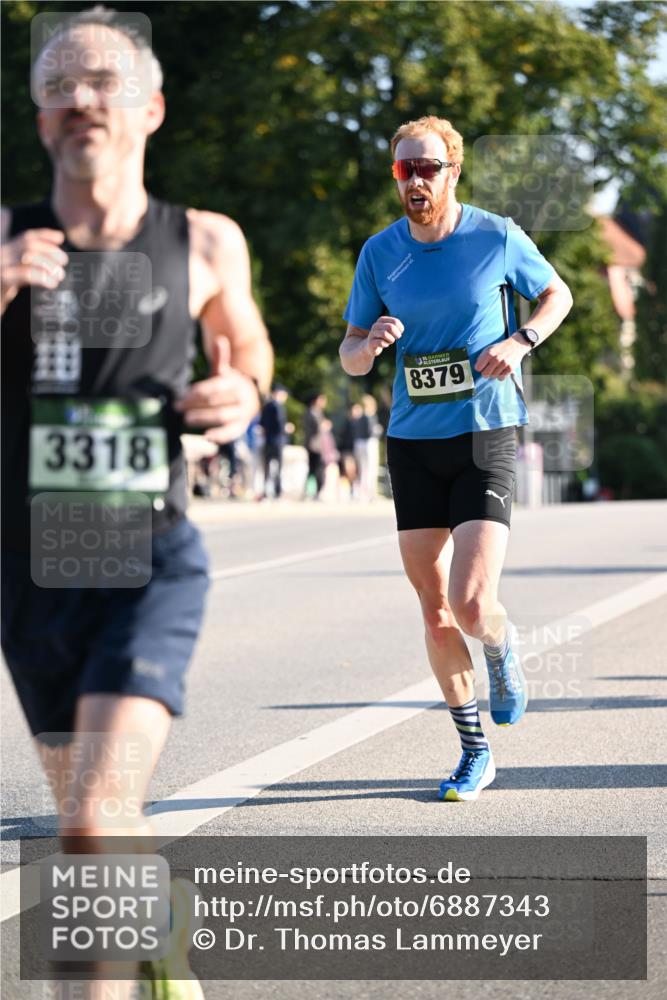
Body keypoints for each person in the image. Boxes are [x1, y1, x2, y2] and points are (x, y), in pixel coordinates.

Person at [1, 7, 272, 998]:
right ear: (40, 120)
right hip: (30, 570)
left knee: (91, 820)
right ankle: (160, 938)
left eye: (102, 81)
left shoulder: (203, 239)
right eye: (58, 85)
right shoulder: (2, 241)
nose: (79, 98)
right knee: (92, 809)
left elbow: (246, 352)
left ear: (150, 108)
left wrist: (239, 392)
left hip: (148, 555)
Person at [339, 115, 572, 802]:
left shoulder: (495, 235)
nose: (414, 180)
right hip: (412, 442)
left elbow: (557, 293)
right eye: (403, 169)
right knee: (433, 611)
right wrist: (370, 343)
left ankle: (500, 647)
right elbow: (350, 358)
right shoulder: (380, 254)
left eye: (427, 168)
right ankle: (474, 753)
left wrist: (522, 340)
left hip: (485, 433)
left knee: (470, 604)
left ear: (453, 171)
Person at [259, 382, 289, 499]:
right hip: (278, 440)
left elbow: (262, 424)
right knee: (278, 466)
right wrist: (286, 429)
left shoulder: (266, 406)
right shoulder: (278, 407)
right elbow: (280, 424)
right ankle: (278, 491)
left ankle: (265, 490)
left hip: (268, 440)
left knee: (267, 466)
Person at [352, 393, 382, 501]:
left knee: (362, 469)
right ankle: (370, 493)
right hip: (369, 443)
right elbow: (371, 431)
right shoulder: (369, 416)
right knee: (371, 468)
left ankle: (362, 493)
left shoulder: (358, 416)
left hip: (359, 443)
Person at [302, 391, 328, 499]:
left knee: (313, 469)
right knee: (316, 469)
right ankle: (315, 491)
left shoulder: (313, 412)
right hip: (314, 445)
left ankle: (311, 491)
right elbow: (318, 427)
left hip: (314, 444)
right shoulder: (313, 412)